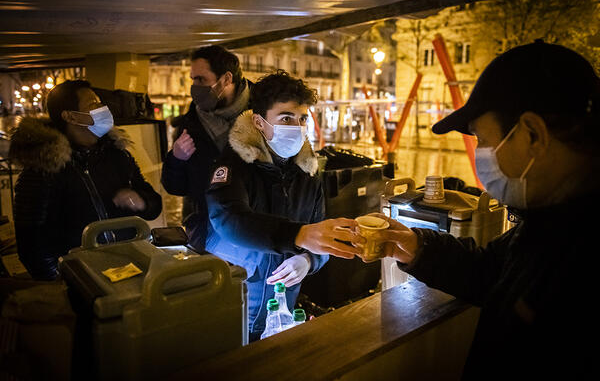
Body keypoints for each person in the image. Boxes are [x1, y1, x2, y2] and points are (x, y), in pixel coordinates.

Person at [350, 41, 600, 379]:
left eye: (482, 139)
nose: (481, 154)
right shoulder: (547, 221)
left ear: (532, 134)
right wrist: (417, 247)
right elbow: (491, 270)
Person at [206, 71, 360, 341]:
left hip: (283, 308)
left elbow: (318, 231)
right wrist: (296, 235)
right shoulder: (233, 166)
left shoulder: (308, 172)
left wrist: (309, 259)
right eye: (286, 118)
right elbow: (228, 220)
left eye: (302, 119)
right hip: (238, 304)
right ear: (260, 122)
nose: (297, 126)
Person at [9, 80, 162, 280]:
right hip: (82, 280)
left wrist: (142, 201)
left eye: (100, 103)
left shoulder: (117, 155)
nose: (103, 109)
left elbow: (154, 204)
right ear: (70, 116)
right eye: (93, 105)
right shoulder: (42, 170)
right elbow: (31, 245)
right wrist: (64, 284)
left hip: (129, 268)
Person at [161, 45, 251, 250]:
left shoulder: (264, 113)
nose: (194, 87)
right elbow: (175, 187)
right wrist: (176, 159)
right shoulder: (189, 124)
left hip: (252, 232)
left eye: (201, 79)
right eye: (193, 79)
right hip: (207, 235)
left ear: (226, 79)